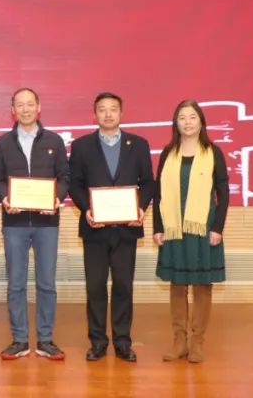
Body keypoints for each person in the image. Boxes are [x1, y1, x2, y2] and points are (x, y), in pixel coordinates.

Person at [67, 92, 155, 362]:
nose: (108, 114)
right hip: (95, 228)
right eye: (102, 109)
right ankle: (97, 342)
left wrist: (140, 207)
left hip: (126, 228)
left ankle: (122, 341)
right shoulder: (81, 146)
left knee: (123, 286)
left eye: (113, 109)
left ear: (121, 113)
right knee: (95, 287)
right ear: (94, 114)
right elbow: (74, 184)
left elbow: (148, 183)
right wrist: (87, 209)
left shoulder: (138, 145)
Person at [0, 87, 69, 360]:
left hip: (47, 222)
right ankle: (19, 339)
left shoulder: (54, 141)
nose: (25, 109)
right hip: (15, 222)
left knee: (47, 283)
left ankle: (45, 339)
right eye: (20, 105)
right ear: (13, 110)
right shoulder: (2, 143)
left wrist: (57, 198)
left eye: (30, 104)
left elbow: (64, 177)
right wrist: (5, 198)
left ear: (38, 107)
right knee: (16, 283)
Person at [152, 99, 229, 364]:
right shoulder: (168, 152)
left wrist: (217, 227)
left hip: (203, 226)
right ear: (176, 123)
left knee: (202, 287)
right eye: (182, 117)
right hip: (174, 227)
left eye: (192, 117)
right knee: (177, 285)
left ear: (201, 122)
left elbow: (223, 193)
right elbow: (158, 193)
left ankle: (198, 342)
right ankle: (179, 341)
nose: (187, 122)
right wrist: (158, 228)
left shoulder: (213, 152)